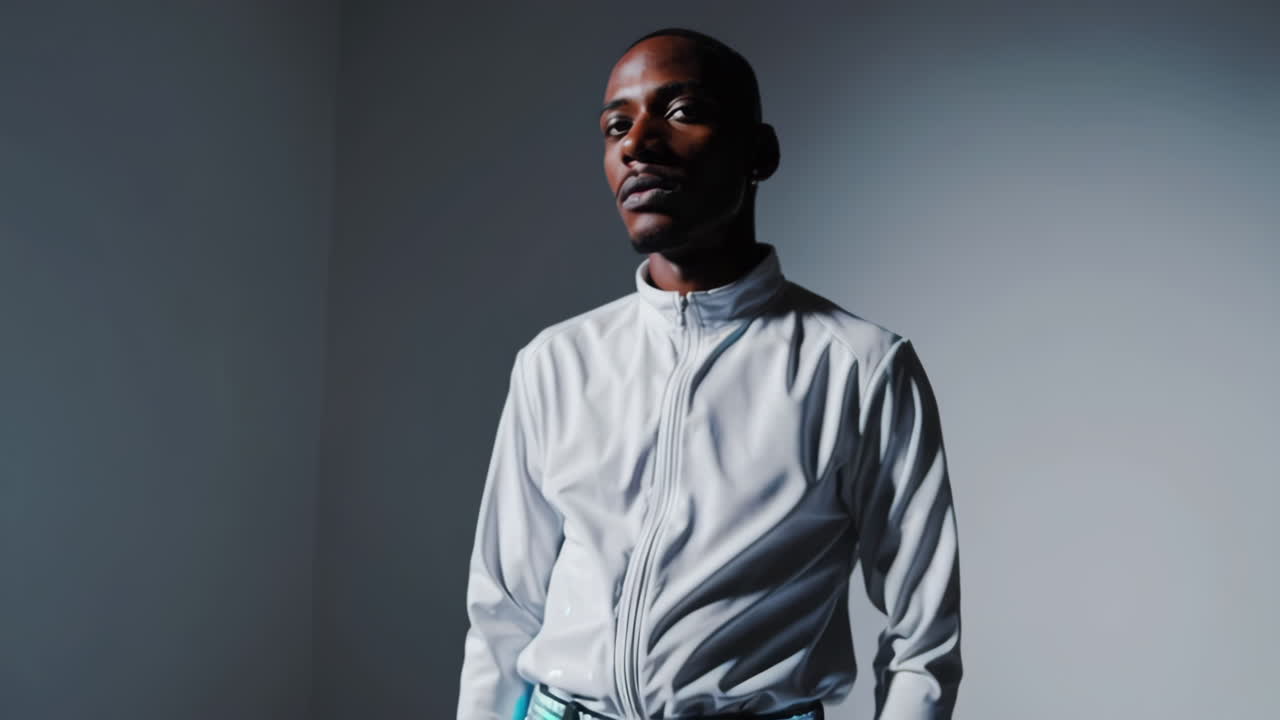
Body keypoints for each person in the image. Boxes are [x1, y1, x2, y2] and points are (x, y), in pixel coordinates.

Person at [456, 27, 962, 720]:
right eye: (615, 126)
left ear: (760, 153)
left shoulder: (861, 368)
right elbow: (502, 614)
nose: (637, 144)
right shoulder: (556, 361)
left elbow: (923, 645)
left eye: (681, 112)